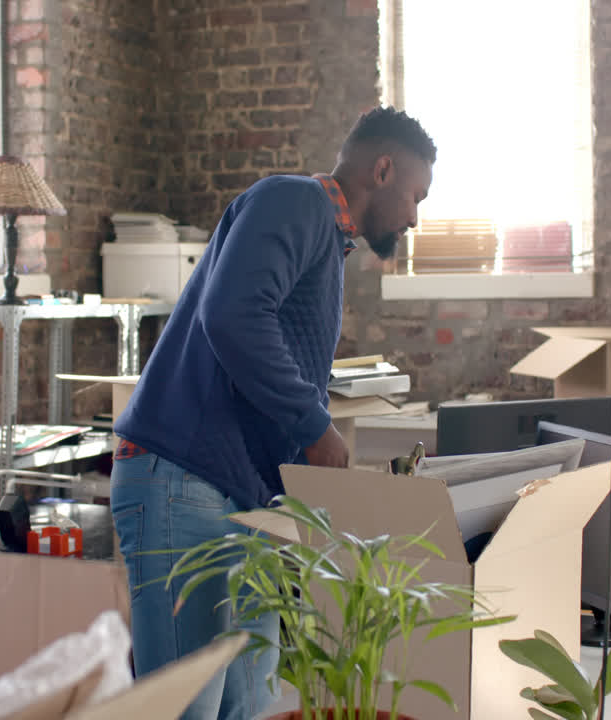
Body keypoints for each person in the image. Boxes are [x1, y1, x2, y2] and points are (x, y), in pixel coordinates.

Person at [109, 106, 436, 720]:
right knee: (187, 711)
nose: (416, 217)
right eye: (417, 195)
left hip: (239, 499)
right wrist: (314, 428)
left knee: (251, 705)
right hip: (184, 482)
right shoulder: (296, 202)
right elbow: (233, 316)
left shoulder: (324, 238)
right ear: (384, 169)